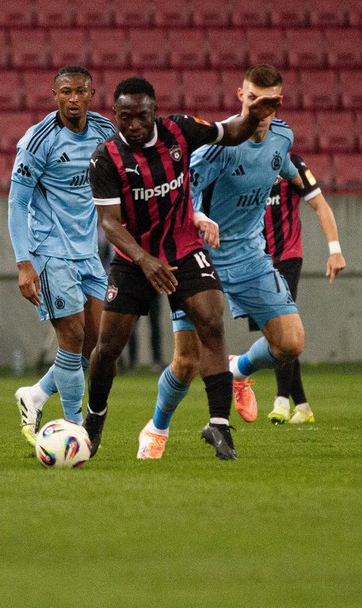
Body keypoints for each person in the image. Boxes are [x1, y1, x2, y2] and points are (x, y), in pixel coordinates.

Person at [135, 65, 344, 460]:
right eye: (253, 100)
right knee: (187, 362)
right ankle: (157, 426)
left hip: (250, 256)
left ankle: (239, 370)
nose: (261, 109)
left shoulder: (283, 138)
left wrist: (330, 235)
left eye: (270, 103)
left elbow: (284, 170)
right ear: (240, 97)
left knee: (291, 342)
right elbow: (184, 189)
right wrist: (199, 216)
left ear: (279, 103)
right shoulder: (221, 144)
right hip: (201, 257)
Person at [87, 75, 279, 461]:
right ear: (115, 115)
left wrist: (251, 113)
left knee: (211, 321)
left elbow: (232, 131)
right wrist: (144, 260)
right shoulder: (105, 158)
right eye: (125, 117)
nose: (134, 125)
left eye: (141, 116)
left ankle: (220, 424)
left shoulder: (180, 130)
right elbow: (109, 222)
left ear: (155, 112)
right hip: (133, 258)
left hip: (184, 247)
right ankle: (94, 421)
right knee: (107, 348)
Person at [8, 66, 114, 445]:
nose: (73, 98)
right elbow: (17, 203)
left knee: (98, 340)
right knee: (71, 336)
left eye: (80, 92)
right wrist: (24, 264)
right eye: (66, 92)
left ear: (91, 94)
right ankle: (75, 430)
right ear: (54, 95)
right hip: (50, 250)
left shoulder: (105, 133)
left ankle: (35, 394)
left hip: (88, 252)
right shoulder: (38, 142)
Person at [254, 151, 346, 424]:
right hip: (255, 262)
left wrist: (335, 250)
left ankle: (281, 400)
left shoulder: (289, 163)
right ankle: (302, 405)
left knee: (281, 327)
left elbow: (321, 205)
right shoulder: (242, 163)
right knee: (277, 337)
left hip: (287, 257)